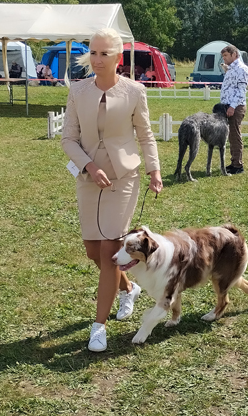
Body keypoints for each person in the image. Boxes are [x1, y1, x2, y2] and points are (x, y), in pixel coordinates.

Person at [60, 27, 163, 353]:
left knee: (108, 251)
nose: (97, 59)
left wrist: (154, 170)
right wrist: (90, 166)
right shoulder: (78, 91)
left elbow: (145, 135)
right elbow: (68, 139)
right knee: (93, 250)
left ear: (118, 57)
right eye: (93, 52)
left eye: (104, 53)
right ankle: (128, 289)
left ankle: (98, 327)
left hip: (124, 178)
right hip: (88, 178)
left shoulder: (135, 91)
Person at [220, 44, 248, 175]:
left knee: (235, 135)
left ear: (234, 54)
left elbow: (241, 91)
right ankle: (234, 162)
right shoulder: (231, 68)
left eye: (226, 55)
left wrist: (232, 106)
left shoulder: (241, 69)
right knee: (231, 135)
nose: (224, 58)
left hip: (236, 107)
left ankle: (238, 165)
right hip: (228, 105)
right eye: (223, 56)